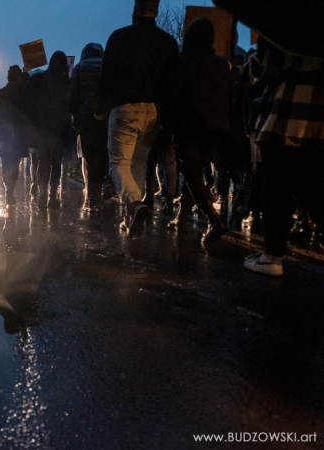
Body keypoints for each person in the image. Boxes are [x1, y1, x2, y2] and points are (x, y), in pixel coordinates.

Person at [95, 0, 179, 236]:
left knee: (118, 164)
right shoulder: (168, 43)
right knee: (138, 163)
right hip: (153, 111)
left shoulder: (119, 38)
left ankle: (133, 204)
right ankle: (130, 216)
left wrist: (100, 107)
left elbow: (107, 76)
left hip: (124, 108)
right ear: (157, 10)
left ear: (135, 9)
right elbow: (171, 84)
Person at [243, 37, 324, 276]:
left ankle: (273, 256)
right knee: (315, 191)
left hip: (285, 120)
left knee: (277, 192)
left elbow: (259, 72)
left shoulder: (288, 33)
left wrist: (255, 55)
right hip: (320, 123)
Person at [168, 18, 232, 243]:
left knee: (192, 174)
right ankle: (182, 215)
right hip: (215, 127)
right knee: (193, 173)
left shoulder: (183, 62)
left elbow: (174, 95)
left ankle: (214, 220)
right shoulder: (222, 64)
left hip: (189, 125)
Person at [27, 51, 73, 210]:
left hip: (42, 129)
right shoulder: (67, 82)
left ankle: (42, 193)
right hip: (59, 130)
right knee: (56, 163)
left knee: (43, 161)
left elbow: (30, 100)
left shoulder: (39, 79)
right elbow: (71, 105)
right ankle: (52, 195)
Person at [69, 43, 108, 211]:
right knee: (105, 155)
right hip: (106, 119)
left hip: (85, 121)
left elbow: (73, 95)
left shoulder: (79, 68)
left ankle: (94, 200)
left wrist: (72, 116)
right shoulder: (107, 66)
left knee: (91, 159)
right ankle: (106, 183)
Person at [0, 65, 29, 207]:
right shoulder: (22, 93)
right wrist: (26, 73)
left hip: (3, 134)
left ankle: (8, 190)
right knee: (14, 162)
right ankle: (10, 191)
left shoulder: (1, 93)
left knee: (6, 162)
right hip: (18, 135)